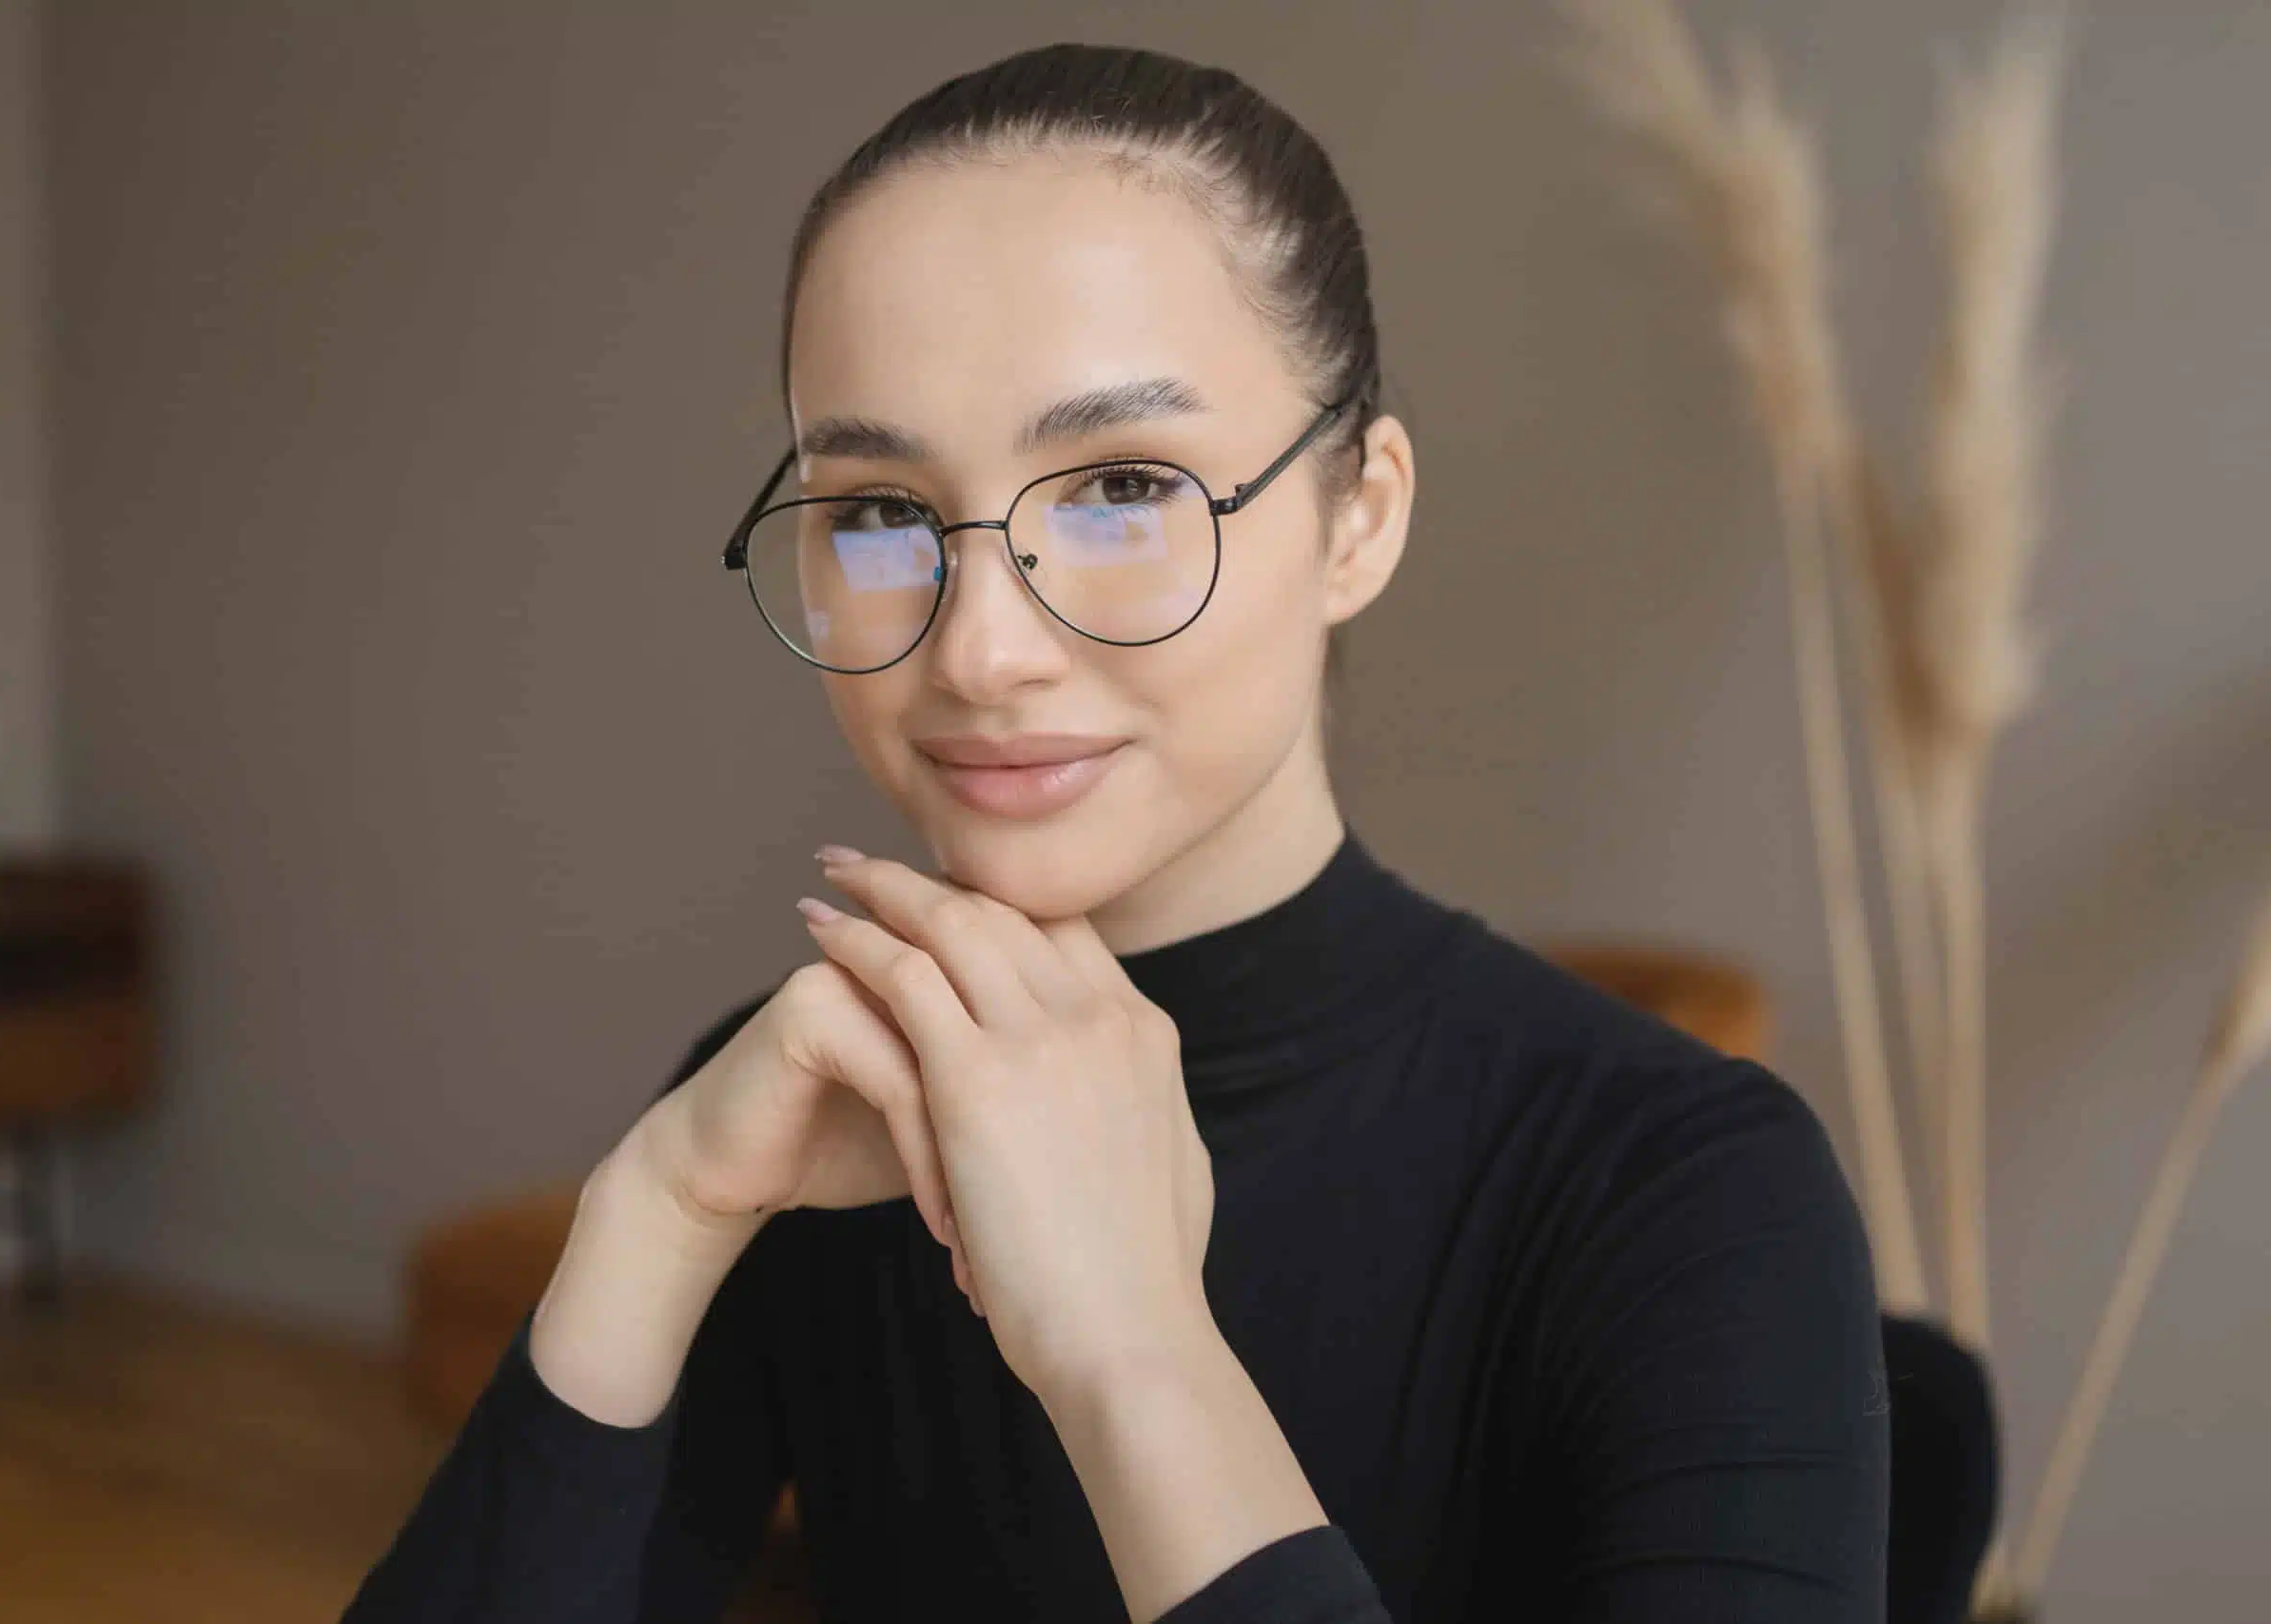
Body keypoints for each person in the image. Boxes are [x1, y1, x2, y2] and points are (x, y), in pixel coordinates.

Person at [342, 40, 1889, 1624]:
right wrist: (653, 1213)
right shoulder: (808, 1119)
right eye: (877, 510)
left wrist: (1134, 1356)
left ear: (1356, 516)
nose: (978, 652)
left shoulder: (1690, 1192)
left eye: (1122, 488)